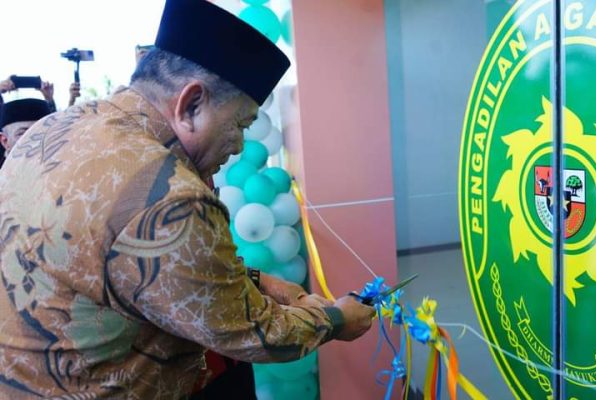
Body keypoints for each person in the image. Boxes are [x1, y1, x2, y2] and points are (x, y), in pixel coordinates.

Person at [0, 0, 375, 399]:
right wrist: (336, 319)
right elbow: (252, 333)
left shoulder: (50, 129)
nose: (238, 144)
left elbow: (120, 264)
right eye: (240, 123)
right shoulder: (169, 198)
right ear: (191, 104)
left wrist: (256, 280)